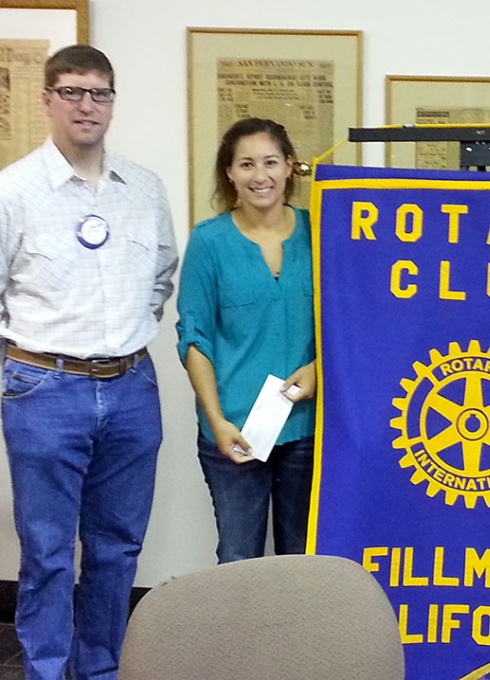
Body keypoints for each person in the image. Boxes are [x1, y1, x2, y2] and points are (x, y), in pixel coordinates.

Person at [0, 45, 177, 680]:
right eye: (72, 91)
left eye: (99, 93)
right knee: (48, 552)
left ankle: (99, 670)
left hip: (131, 388)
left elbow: (160, 276)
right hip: (44, 389)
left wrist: (122, 336)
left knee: (116, 549)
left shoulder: (144, 190)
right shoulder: (13, 191)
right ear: (47, 99)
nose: (86, 105)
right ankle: (47, 670)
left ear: (111, 103)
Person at [176, 117, 316, 565]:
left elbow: (348, 321)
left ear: (291, 167)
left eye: (271, 162)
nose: (261, 176)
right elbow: (194, 338)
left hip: (309, 429)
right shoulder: (209, 241)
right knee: (239, 561)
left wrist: (320, 369)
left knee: (305, 561)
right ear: (229, 173)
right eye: (247, 164)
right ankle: (241, 639)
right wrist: (216, 420)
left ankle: (302, 640)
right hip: (236, 431)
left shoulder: (321, 233)